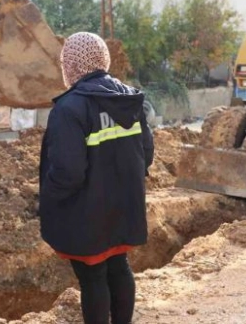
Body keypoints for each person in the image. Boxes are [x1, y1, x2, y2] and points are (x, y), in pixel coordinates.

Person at [39, 32, 154, 324]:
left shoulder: (69, 108)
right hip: (124, 206)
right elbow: (146, 154)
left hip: (87, 212)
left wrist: (48, 197)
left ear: (71, 65)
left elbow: (68, 171)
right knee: (119, 266)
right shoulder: (129, 99)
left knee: (92, 278)